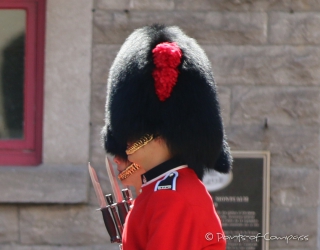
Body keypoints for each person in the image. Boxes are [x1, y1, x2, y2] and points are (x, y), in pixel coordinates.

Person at [102, 24, 232, 250]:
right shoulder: (158, 191)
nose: (126, 140)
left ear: (161, 133)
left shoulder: (172, 198)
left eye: (136, 131)